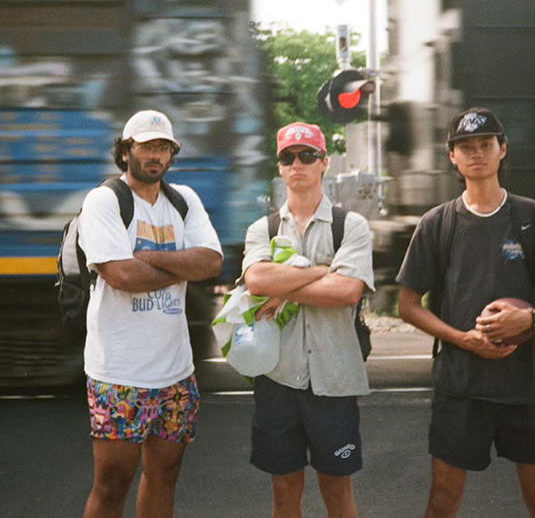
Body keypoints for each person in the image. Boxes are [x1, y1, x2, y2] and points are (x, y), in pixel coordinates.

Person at [396, 107, 535, 518]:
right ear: (452, 157)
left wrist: (526, 320)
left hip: (525, 385)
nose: (477, 153)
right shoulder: (437, 224)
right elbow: (408, 304)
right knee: (443, 497)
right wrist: (462, 340)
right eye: (466, 147)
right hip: (461, 385)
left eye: (485, 145)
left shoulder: (534, 218)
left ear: (502, 151)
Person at [78, 109, 223, 518]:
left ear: (171, 154)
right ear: (126, 151)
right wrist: (180, 266)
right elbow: (121, 275)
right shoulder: (104, 200)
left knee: (164, 475)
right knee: (111, 485)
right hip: (120, 373)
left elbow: (211, 264)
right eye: (145, 146)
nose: (154, 155)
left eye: (162, 147)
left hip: (175, 373)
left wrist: (150, 258)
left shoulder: (183, 201)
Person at [241, 122, 375, 518]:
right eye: (288, 157)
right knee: (285, 490)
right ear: (280, 168)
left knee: (337, 489)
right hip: (277, 377)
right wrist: (322, 271)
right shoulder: (261, 229)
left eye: (307, 155)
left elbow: (347, 292)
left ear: (324, 164)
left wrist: (283, 290)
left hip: (334, 379)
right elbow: (256, 280)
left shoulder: (349, 225)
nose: (297, 163)